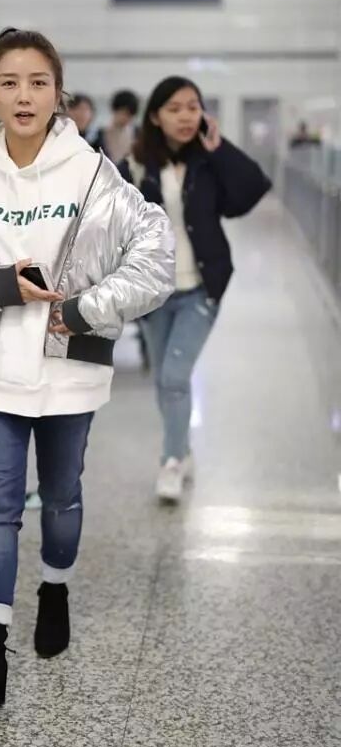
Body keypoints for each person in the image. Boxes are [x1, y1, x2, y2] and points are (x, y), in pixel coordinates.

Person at [0, 27, 174, 708]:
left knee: (60, 496)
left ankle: (54, 587)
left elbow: (155, 255)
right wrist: (0, 286)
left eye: (38, 82)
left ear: (58, 92)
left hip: (69, 369)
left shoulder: (93, 175)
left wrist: (85, 309)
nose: (24, 95)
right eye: (9, 82)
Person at [125, 76, 272, 503]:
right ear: (155, 117)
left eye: (193, 107)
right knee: (164, 380)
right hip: (152, 292)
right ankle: (183, 450)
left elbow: (251, 191)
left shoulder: (209, 162)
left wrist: (219, 148)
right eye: (174, 108)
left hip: (200, 289)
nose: (186, 116)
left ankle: (171, 461)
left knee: (174, 375)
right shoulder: (135, 165)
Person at [92, 89, 140, 164]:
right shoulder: (99, 136)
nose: (127, 118)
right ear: (115, 110)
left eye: (130, 115)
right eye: (124, 113)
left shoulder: (138, 134)